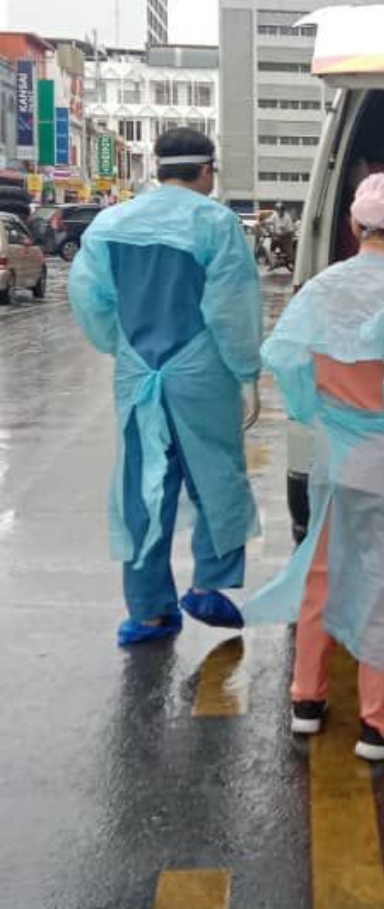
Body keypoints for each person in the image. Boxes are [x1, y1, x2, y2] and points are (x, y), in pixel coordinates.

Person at [244, 173, 384, 757]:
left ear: (352, 225)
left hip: (333, 454)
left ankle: (306, 698)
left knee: (322, 572)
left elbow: (291, 365)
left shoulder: (321, 287)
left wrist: (329, 413)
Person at [69, 129, 263, 647]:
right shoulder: (216, 222)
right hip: (202, 369)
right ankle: (208, 584)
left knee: (143, 485)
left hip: (138, 371)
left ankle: (148, 612)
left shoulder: (111, 224)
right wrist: (247, 371)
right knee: (216, 475)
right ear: (206, 170)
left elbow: (89, 298)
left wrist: (126, 345)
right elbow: (232, 308)